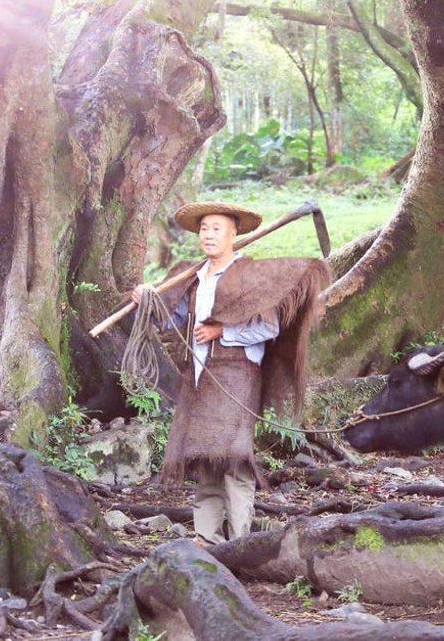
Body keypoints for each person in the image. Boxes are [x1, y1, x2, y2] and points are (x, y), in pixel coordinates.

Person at [132, 201, 330, 544]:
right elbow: (171, 320)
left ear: (233, 233)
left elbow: (267, 328)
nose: (209, 235)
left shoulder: (249, 276)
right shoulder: (193, 277)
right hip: (198, 377)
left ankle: (239, 540)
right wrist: (146, 299)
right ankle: (207, 537)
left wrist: (223, 332)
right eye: (204, 229)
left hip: (237, 377)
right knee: (206, 458)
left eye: (217, 229)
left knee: (236, 459)